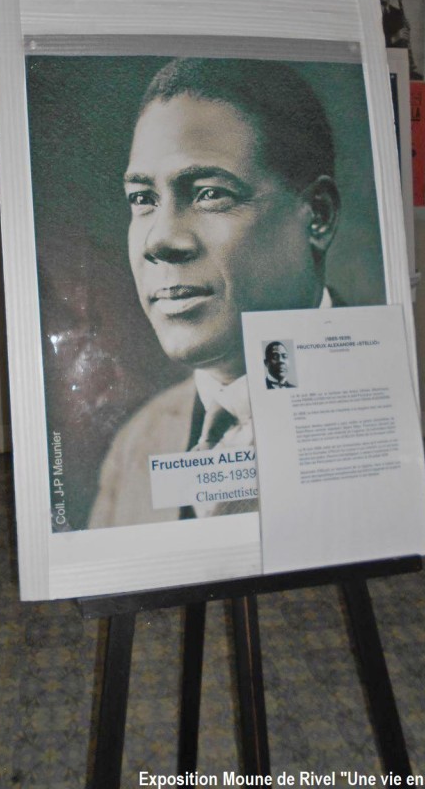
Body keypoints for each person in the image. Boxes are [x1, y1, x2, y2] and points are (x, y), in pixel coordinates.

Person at [89, 57, 343, 529]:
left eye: (209, 193)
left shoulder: (376, 413)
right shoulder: (138, 443)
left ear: (318, 216)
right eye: (143, 199)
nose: (160, 240)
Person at [372, 0, 422, 80]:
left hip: (396, 65)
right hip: (375, 65)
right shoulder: (368, 10)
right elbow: (369, 42)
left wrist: (406, 34)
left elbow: (401, 44)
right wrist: (394, 37)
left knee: (418, 78)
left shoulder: (398, 13)